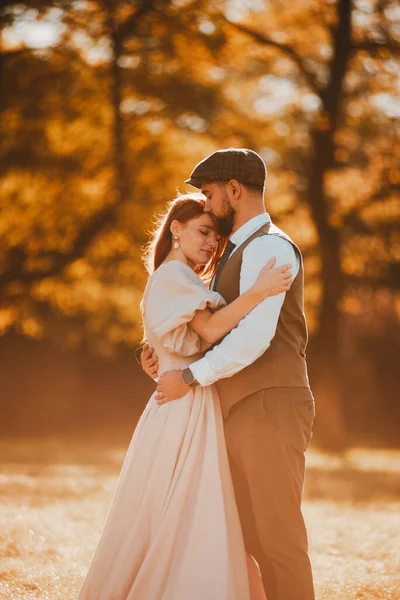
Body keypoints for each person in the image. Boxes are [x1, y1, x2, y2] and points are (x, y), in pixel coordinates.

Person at [76, 192, 293, 600]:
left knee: (186, 508)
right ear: (176, 228)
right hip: (183, 405)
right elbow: (210, 331)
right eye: (203, 231)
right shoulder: (177, 276)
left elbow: (170, 336)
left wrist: (153, 353)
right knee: (189, 506)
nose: (211, 242)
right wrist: (260, 291)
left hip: (183, 401)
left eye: (216, 236)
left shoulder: (178, 276)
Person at [142, 148, 316, 600]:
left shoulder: (270, 249)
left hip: (270, 404)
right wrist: (167, 354)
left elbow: (253, 338)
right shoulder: (232, 254)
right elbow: (210, 330)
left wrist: (191, 378)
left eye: (209, 192)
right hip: (236, 408)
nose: (206, 201)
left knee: (278, 538)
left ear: (234, 190)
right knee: (245, 537)